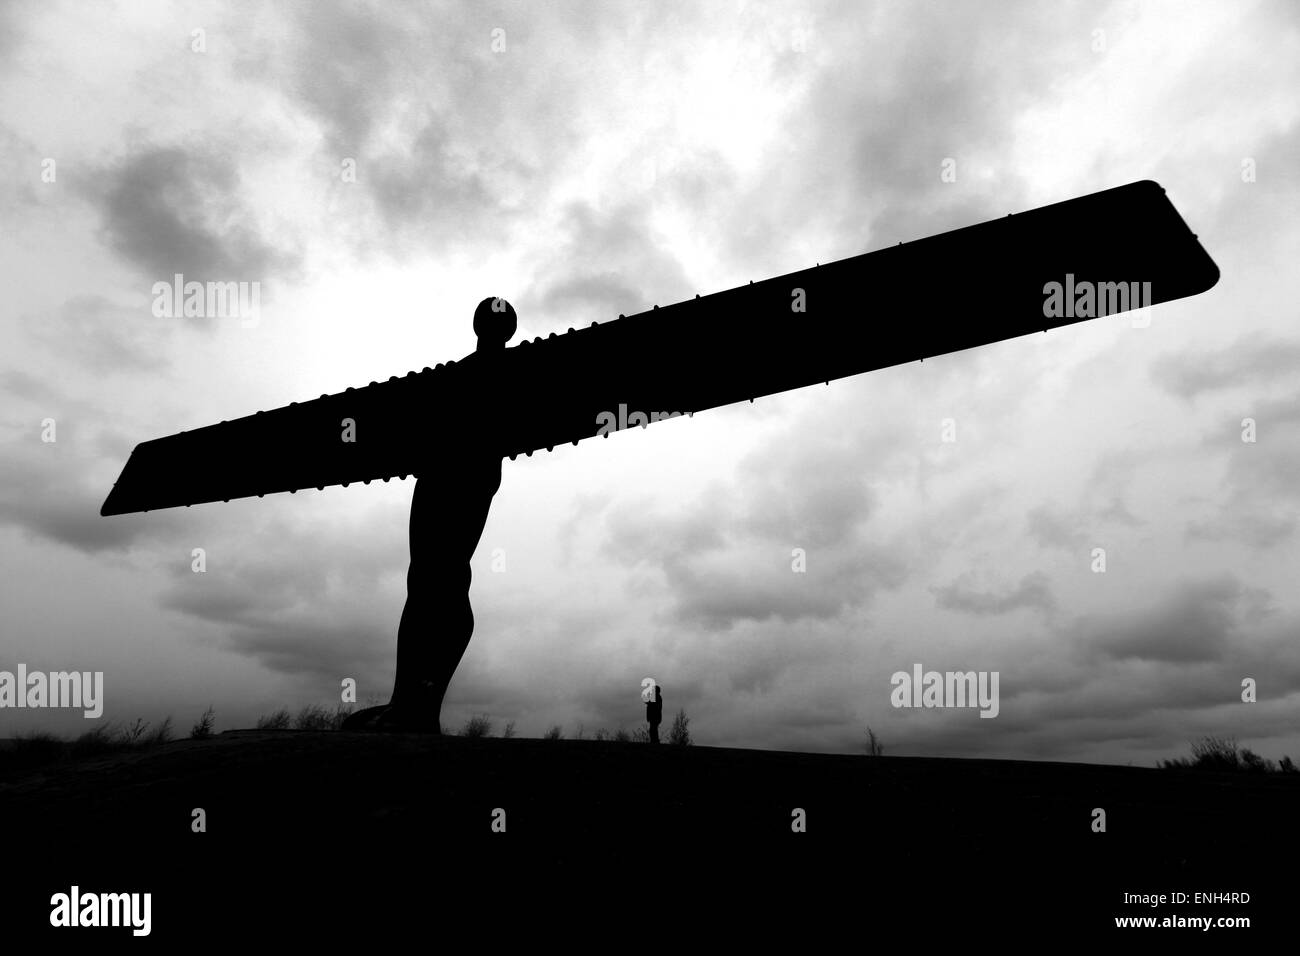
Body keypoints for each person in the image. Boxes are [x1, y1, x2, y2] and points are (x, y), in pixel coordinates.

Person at [343, 297, 515, 732]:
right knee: (426, 578)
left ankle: (418, 706)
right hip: (442, 474)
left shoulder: (515, 372)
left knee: (443, 575)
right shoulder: (456, 376)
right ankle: (410, 702)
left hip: (464, 474)